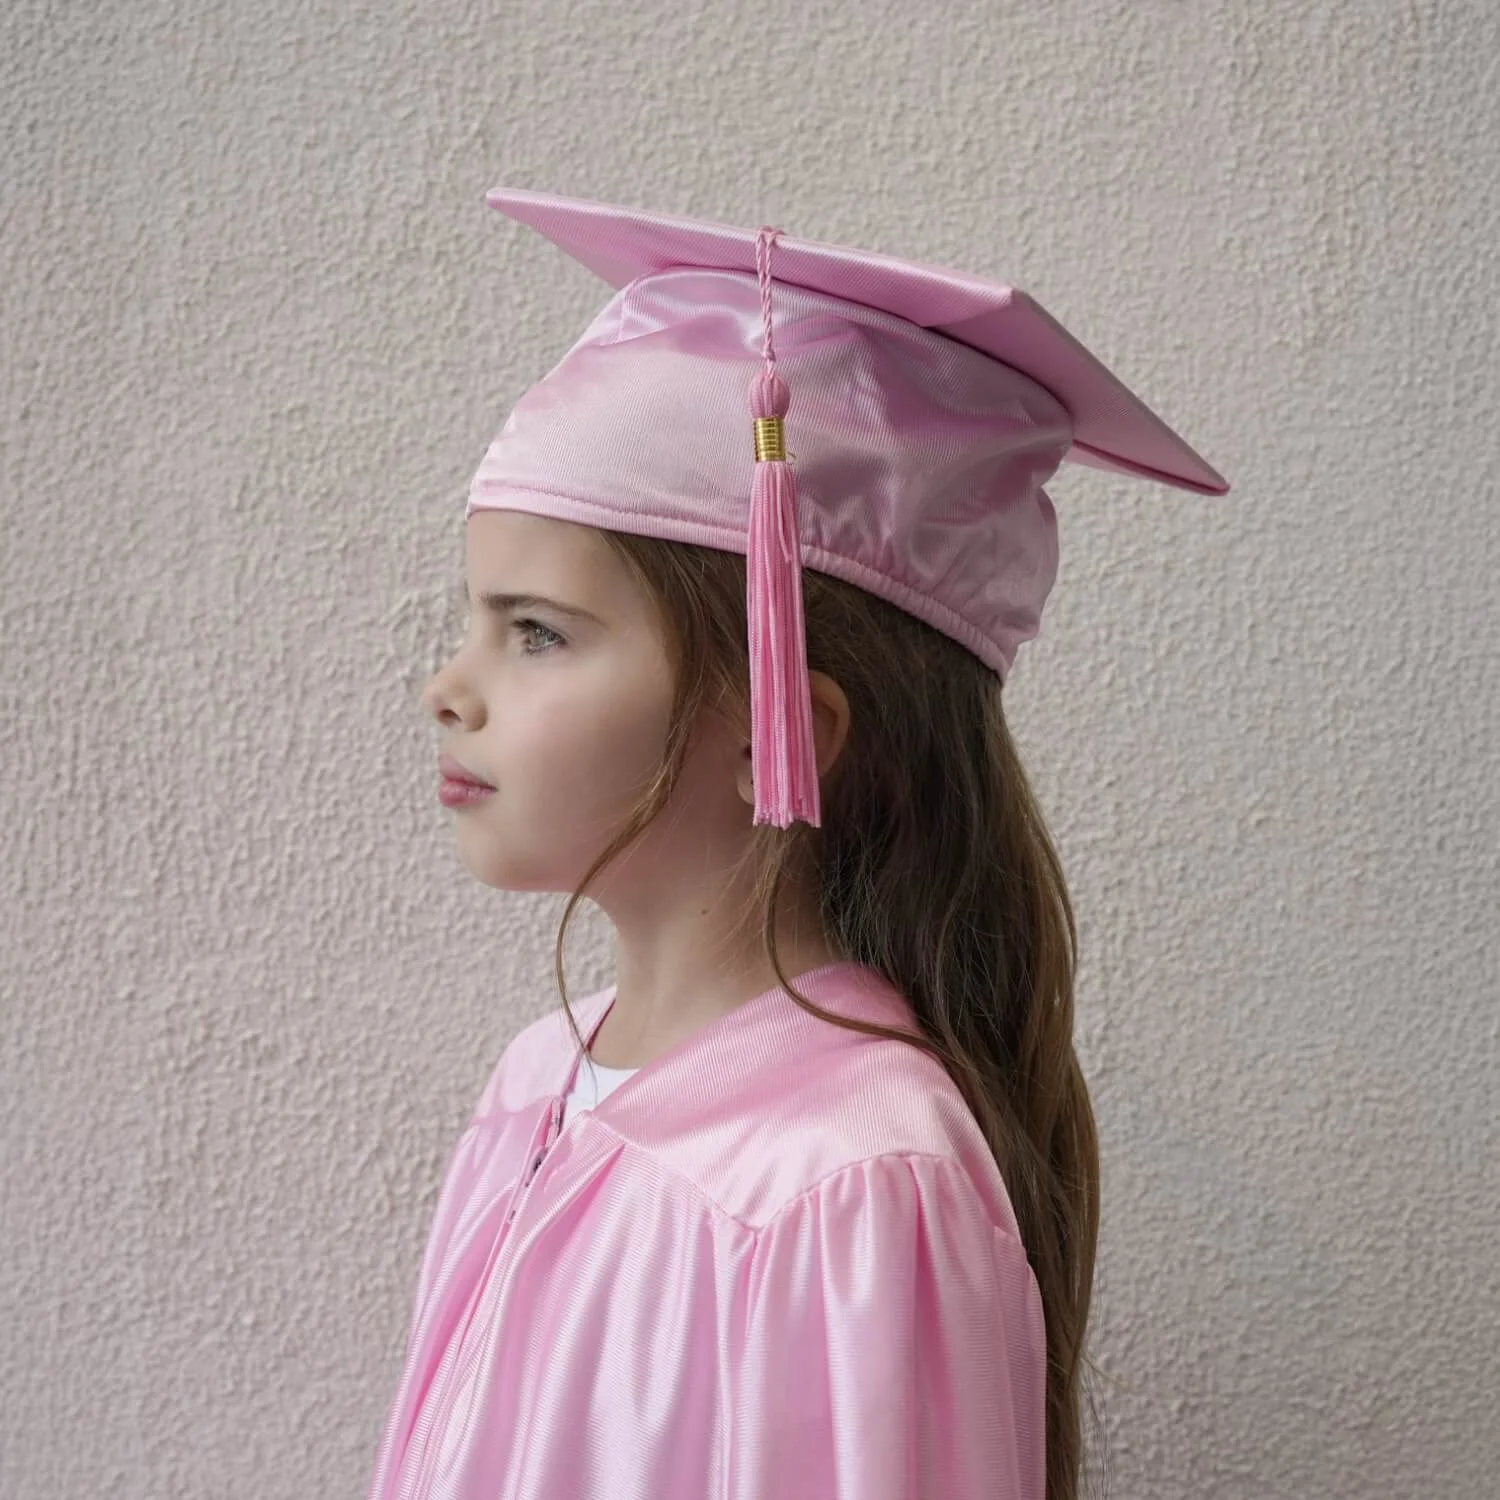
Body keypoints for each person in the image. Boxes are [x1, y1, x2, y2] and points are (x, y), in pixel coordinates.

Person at [367, 188, 1228, 1500]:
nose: (451, 683)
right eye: (474, 620)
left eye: (534, 630)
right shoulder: (540, 1080)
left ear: (782, 731)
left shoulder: (852, 1181)